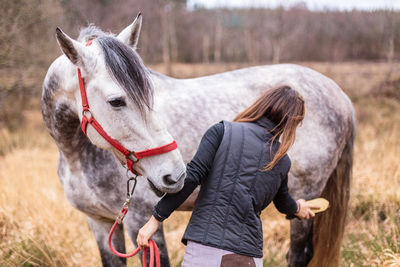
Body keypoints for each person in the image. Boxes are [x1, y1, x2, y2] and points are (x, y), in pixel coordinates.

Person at [137, 85, 319, 267]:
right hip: (250, 256)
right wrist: (297, 208)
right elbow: (283, 201)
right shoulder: (282, 159)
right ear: (290, 123)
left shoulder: (222, 131)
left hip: (207, 249)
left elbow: (192, 176)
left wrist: (155, 220)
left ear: (262, 104)